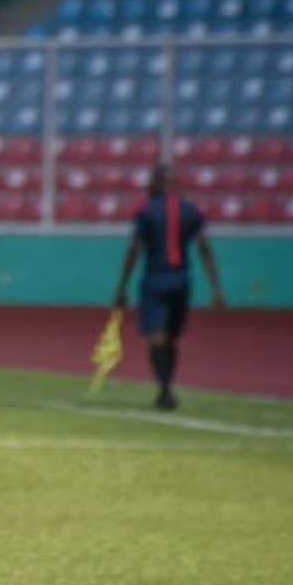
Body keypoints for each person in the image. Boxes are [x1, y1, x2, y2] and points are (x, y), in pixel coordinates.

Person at [112, 165, 226, 411]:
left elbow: (134, 249)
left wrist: (122, 286)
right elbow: (204, 248)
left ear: (156, 184)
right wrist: (216, 287)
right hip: (181, 280)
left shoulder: (146, 211)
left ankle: (164, 388)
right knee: (171, 338)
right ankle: (166, 386)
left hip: (155, 279)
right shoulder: (190, 210)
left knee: (158, 337)